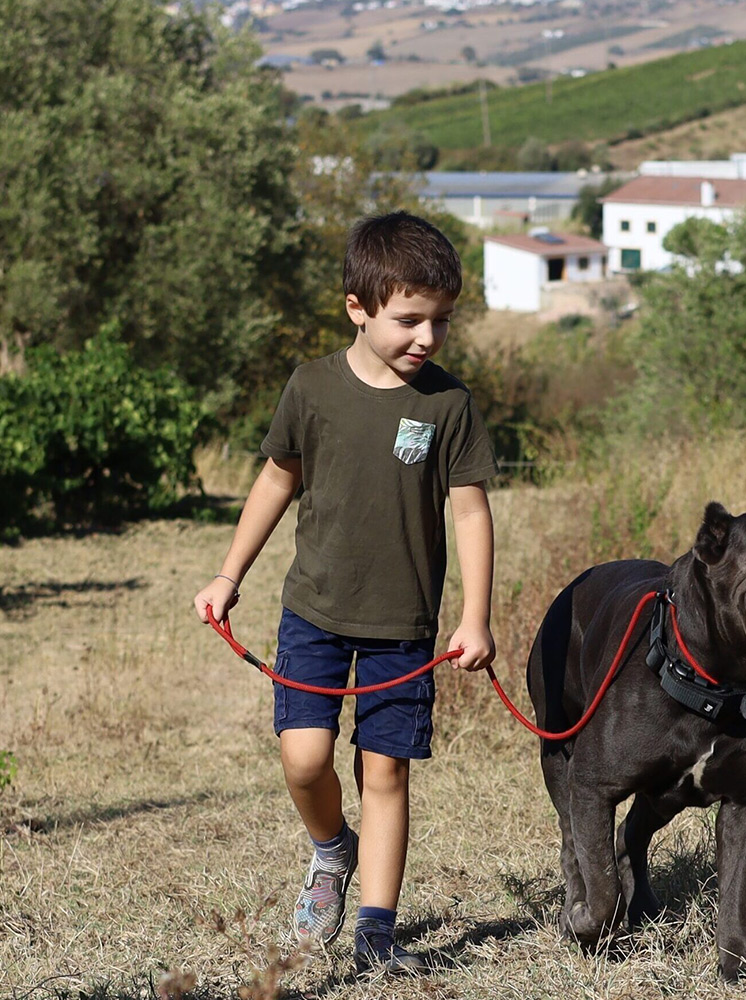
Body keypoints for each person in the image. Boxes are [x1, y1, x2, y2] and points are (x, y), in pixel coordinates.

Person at [193, 211, 498, 974]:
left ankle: (376, 930)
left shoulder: (449, 405)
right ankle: (333, 849)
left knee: (385, 773)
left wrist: (476, 617)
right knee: (303, 760)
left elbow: (470, 511)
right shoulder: (313, 388)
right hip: (316, 612)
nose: (427, 337)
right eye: (409, 320)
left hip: (403, 624)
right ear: (357, 308)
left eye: (441, 321)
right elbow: (276, 481)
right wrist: (230, 575)